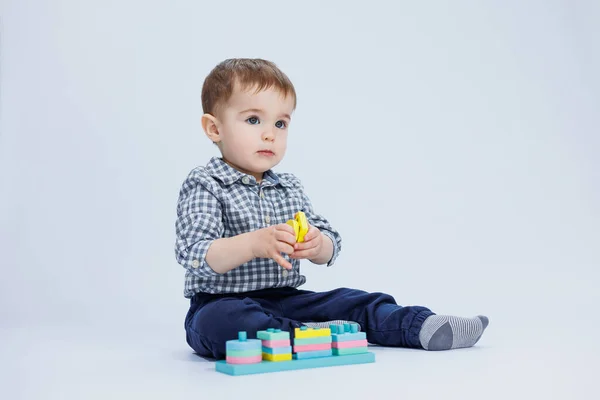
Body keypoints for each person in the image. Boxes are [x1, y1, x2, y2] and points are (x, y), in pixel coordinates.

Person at [174, 58, 488, 359]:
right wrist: (253, 243)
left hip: (287, 299)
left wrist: (316, 243)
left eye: (281, 123)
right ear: (214, 129)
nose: (270, 133)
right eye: (254, 120)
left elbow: (330, 243)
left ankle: (419, 326)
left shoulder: (288, 186)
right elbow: (195, 253)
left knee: (353, 300)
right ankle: (305, 335)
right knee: (224, 322)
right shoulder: (206, 183)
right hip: (220, 302)